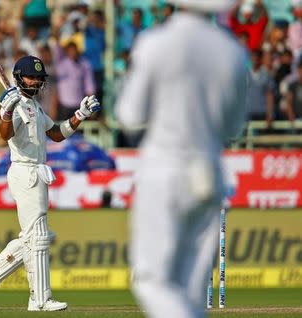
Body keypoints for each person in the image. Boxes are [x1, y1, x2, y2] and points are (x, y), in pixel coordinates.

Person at [115, 1, 249, 318]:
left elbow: (130, 115)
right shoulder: (232, 52)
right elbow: (233, 127)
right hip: (210, 171)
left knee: (151, 280)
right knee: (190, 289)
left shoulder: (156, 43)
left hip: (165, 168)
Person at [0, 55, 101, 311]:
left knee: (33, 238)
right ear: (19, 77)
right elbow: (4, 134)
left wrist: (80, 115)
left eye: (40, 78)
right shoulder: (15, 104)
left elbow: (56, 134)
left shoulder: (34, 106)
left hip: (38, 172)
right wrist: (5, 112)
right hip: (24, 171)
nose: (37, 81)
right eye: (32, 77)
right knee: (37, 238)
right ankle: (40, 299)